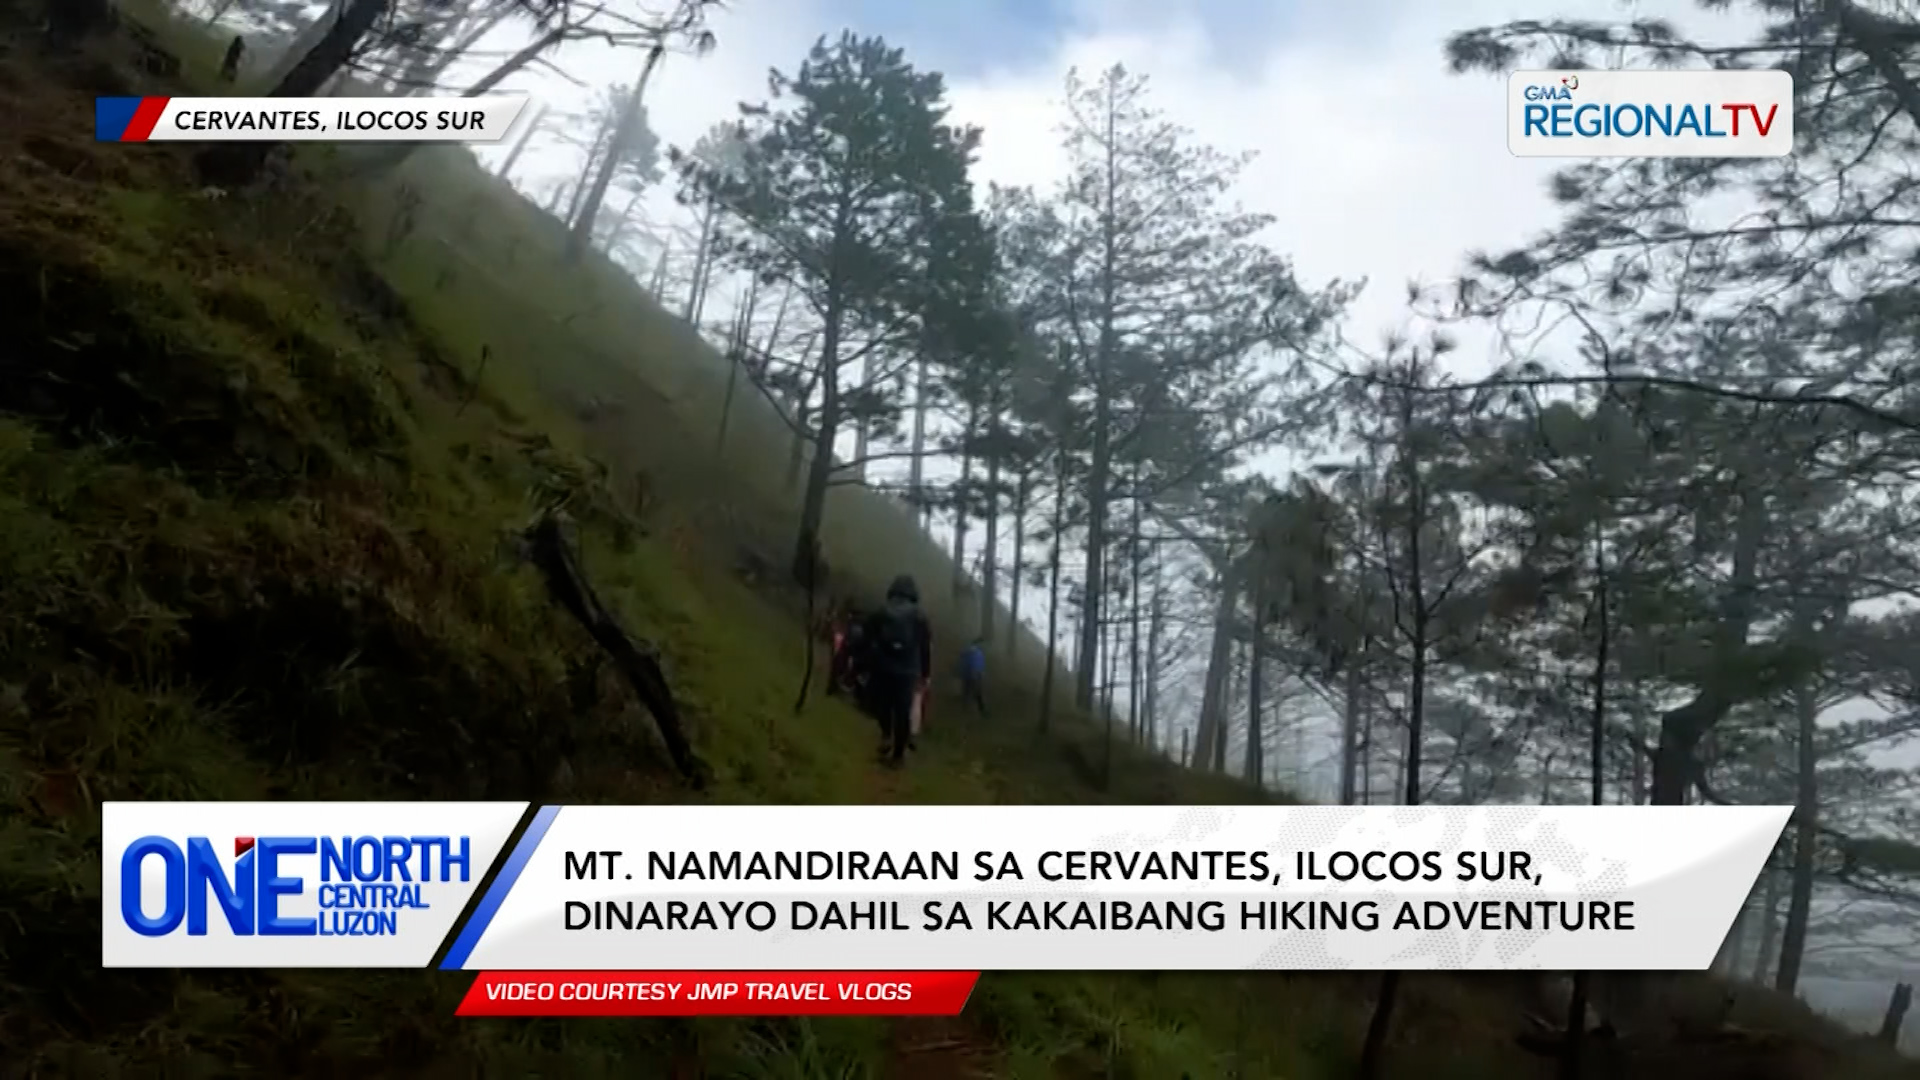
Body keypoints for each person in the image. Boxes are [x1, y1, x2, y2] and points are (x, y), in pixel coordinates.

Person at [860, 574, 932, 766]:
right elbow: (925, 647)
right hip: (908, 670)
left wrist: (867, 660)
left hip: (883, 665)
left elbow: (866, 635)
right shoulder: (919, 615)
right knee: (903, 711)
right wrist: (925, 673)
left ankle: (886, 735)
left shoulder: (882, 610)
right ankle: (898, 756)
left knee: (884, 705)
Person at [958, 637, 988, 717]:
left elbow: (962, 662)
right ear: (979, 643)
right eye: (982, 643)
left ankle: (965, 710)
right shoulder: (976, 652)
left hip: (967, 674)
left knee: (967, 692)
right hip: (974, 674)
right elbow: (976, 664)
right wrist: (978, 673)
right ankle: (981, 711)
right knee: (977, 693)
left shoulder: (968, 651)